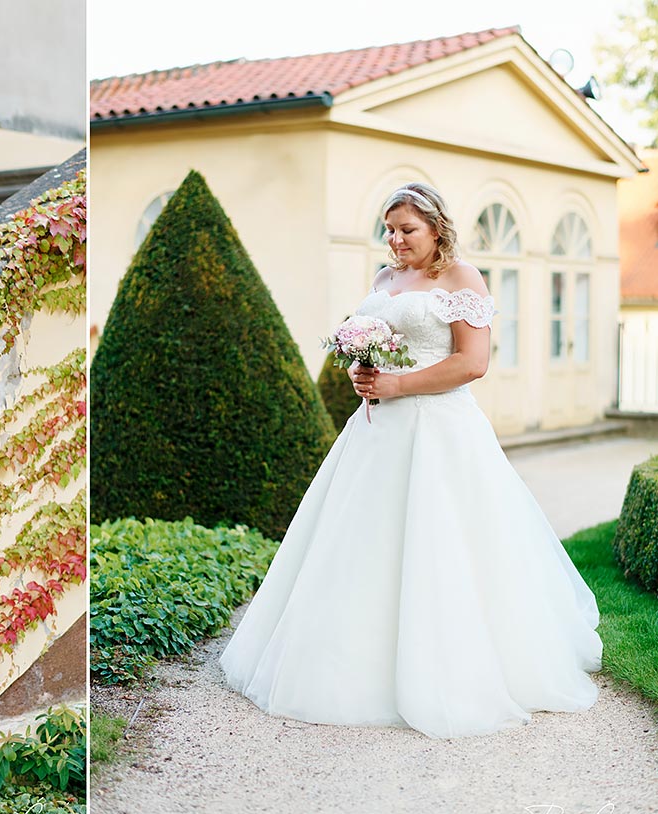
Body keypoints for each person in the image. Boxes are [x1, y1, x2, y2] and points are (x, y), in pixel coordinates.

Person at [219, 182, 602, 738]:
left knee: (445, 542)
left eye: (407, 230)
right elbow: (377, 348)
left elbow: (473, 363)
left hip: (441, 430)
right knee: (360, 544)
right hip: (375, 434)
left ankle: (448, 665)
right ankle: (347, 660)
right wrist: (362, 373)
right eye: (389, 230)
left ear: (436, 228)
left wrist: (398, 385)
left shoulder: (463, 279)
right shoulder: (383, 280)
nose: (395, 240)